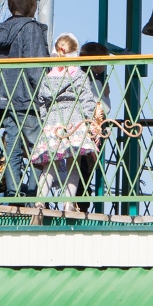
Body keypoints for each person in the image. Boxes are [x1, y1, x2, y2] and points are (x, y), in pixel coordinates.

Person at [0, 0, 49, 199]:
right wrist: (46, 95)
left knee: (12, 146)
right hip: (27, 98)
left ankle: (13, 192)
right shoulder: (31, 29)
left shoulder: (2, 31)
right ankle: (34, 196)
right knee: (38, 148)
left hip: (4, 97)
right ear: (31, 5)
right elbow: (36, 68)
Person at [30, 34, 98, 210]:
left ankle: (40, 199)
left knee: (50, 166)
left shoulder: (48, 77)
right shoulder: (79, 76)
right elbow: (87, 100)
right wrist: (88, 120)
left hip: (53, 124)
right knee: (73, 165)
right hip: (75, 123)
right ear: (75, 53)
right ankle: (68, 203)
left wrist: (46, 119)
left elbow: (41, 102)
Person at [76, 40, 111, 213]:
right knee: (86, 168)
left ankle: (73, 200)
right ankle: (82, 203)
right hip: (92, 130)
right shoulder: (94, 81)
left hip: (75, 127)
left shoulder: (76, 76)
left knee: (76, 166)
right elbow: (103, 108)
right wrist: (106, 95)